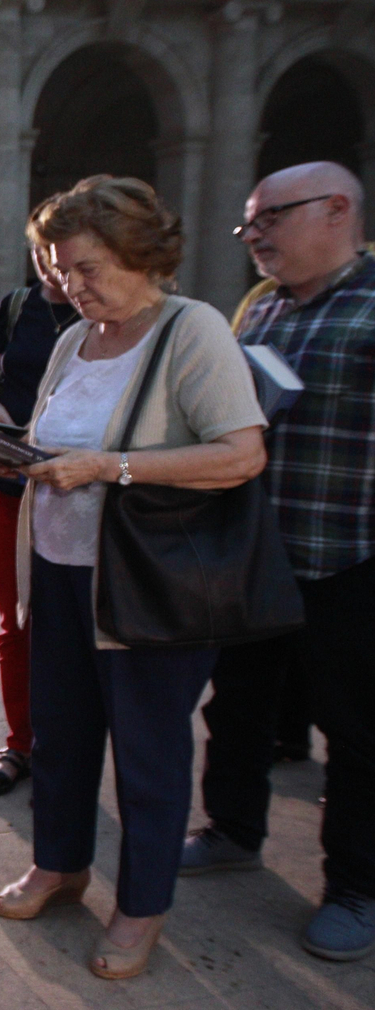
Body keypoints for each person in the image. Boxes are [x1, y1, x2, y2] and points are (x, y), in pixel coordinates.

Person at [0, 176, 265, 981]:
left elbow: (241, 453)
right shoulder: (76, 339)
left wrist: (112, 466)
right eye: (60, 269)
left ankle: (141, 908)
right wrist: (19, 454)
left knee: (147, 757)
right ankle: (59, 864)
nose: (71, 286)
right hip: (61, 573)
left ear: (141, 255)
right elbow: (51, 438)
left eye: (86, 268)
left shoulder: (192, 330)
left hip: (146, 587)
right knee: (61, 736)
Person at [183, 161, 375, 962]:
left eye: (270, 218)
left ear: (337, 210)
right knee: (239, 707)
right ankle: (232, 828)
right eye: (247, 224)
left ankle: (358, 890)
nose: (254, 235)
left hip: (352, 561)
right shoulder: (259, 311)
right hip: (256, 557)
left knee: (358, 732)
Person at [0, 211, 80, 796]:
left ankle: (69, 744)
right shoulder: (16, 306)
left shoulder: (99, 312)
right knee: (16, 621)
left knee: (71, 622)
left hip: (77, 487)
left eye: (62, 255)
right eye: (41, 255)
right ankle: (21, 742)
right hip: (6, 483)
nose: (51, 269)